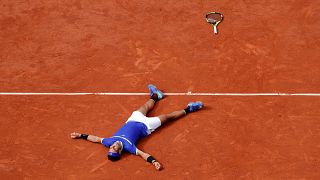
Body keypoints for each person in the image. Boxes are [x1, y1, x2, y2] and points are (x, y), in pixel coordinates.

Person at [70, 84, 203, 171]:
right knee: (168, 117)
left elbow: (96, 139)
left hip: (133, 120)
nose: (113, 146)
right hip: (147, 126)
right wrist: (154, 162)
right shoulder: (129, 147)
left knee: (145, 107)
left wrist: (81, 135)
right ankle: (190, 108)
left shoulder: (109, 142)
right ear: (119, 152)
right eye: (114, 149)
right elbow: (143, 155)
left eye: (111, 148)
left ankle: (156, 95)